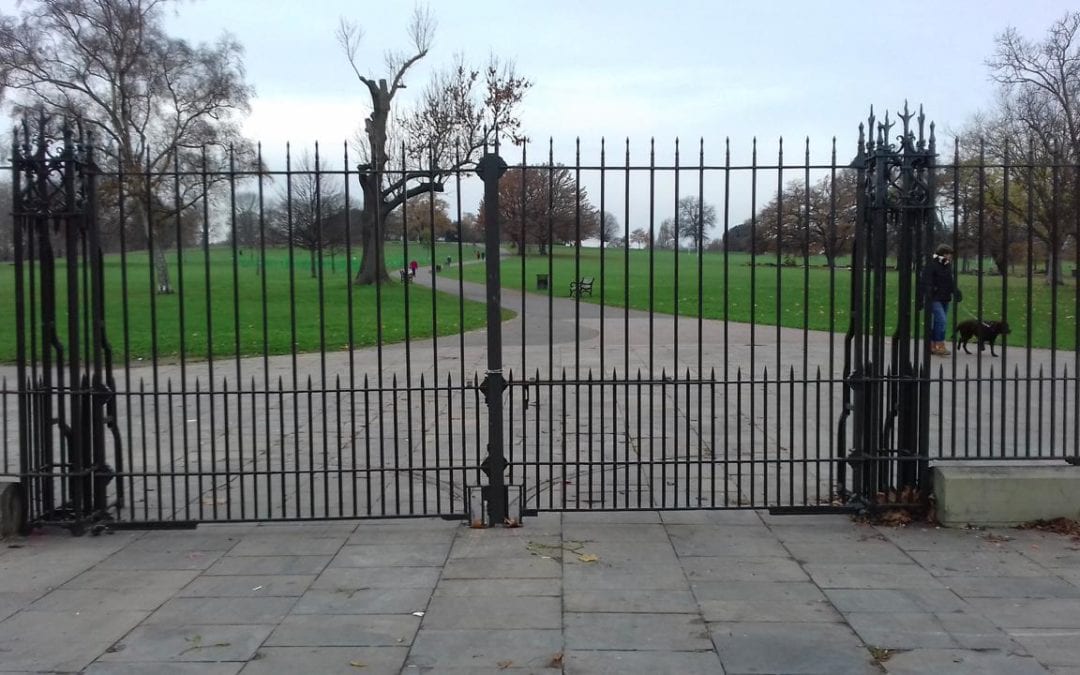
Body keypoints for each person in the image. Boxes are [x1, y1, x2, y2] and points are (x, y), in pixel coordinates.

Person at [922, 244, 962, 356]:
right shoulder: (932, 264)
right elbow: (925, 280)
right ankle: (939, 345)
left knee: (939, 323)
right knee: (942, 320)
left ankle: (933, 345)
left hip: (945, 297)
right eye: (949, 254)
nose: (951, 257)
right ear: (944, 254)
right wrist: (931, 290)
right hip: (934, 298)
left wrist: (956, 291)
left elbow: (950, 280)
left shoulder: (947, 265)